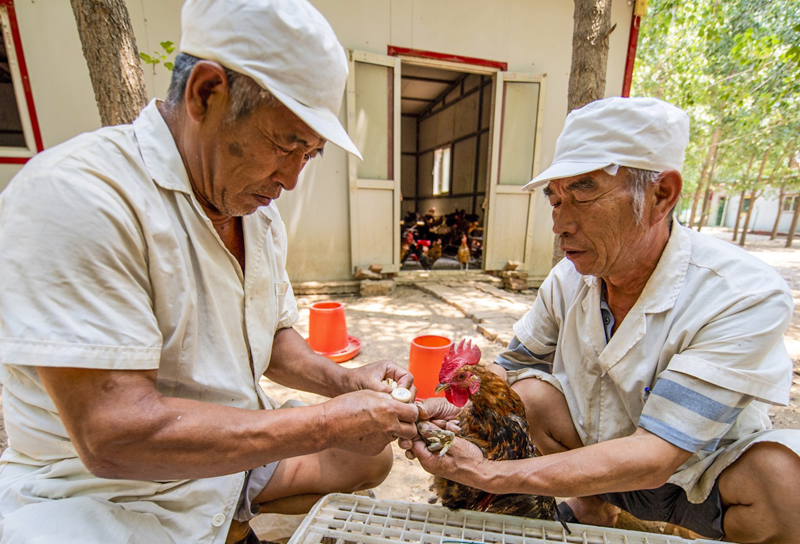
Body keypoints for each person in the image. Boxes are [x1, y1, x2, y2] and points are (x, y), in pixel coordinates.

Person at [0, 1, 420, 543]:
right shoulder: (77, 195)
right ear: (205, 93)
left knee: (365, 458)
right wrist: (328, 420)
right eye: (286, 143)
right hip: (107, 492)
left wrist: (345, 381)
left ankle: (234, 520)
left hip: (220, 465)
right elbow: (112, 436)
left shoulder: (258, 218)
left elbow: (272, 337)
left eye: (309, 155)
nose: (290, 180)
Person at [404, 97, 800, 543]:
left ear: (661, 195)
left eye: (584, 191)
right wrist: (464, 405)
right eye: (555, 200)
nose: (560, 224)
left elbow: (657, 455)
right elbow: (512, 365)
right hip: (598, 472)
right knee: (528, 394)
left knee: (786, 481)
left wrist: (490, 474)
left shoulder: (741, 294)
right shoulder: (567, 281)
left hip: (696, 482)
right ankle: (594, 511)